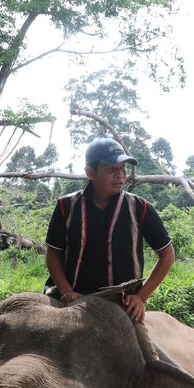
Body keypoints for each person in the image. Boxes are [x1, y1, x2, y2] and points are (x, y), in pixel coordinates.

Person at [44, 137, 175, 361]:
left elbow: (167, 255)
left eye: (123, 168)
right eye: (110, 169)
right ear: (90, 172)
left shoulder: (141, 209)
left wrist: (141, 297)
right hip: (69, 297)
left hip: (120, 302)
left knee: (149, 364)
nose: (120, 174)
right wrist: (67, 292)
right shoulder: (66, 206)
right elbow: (53, 253)